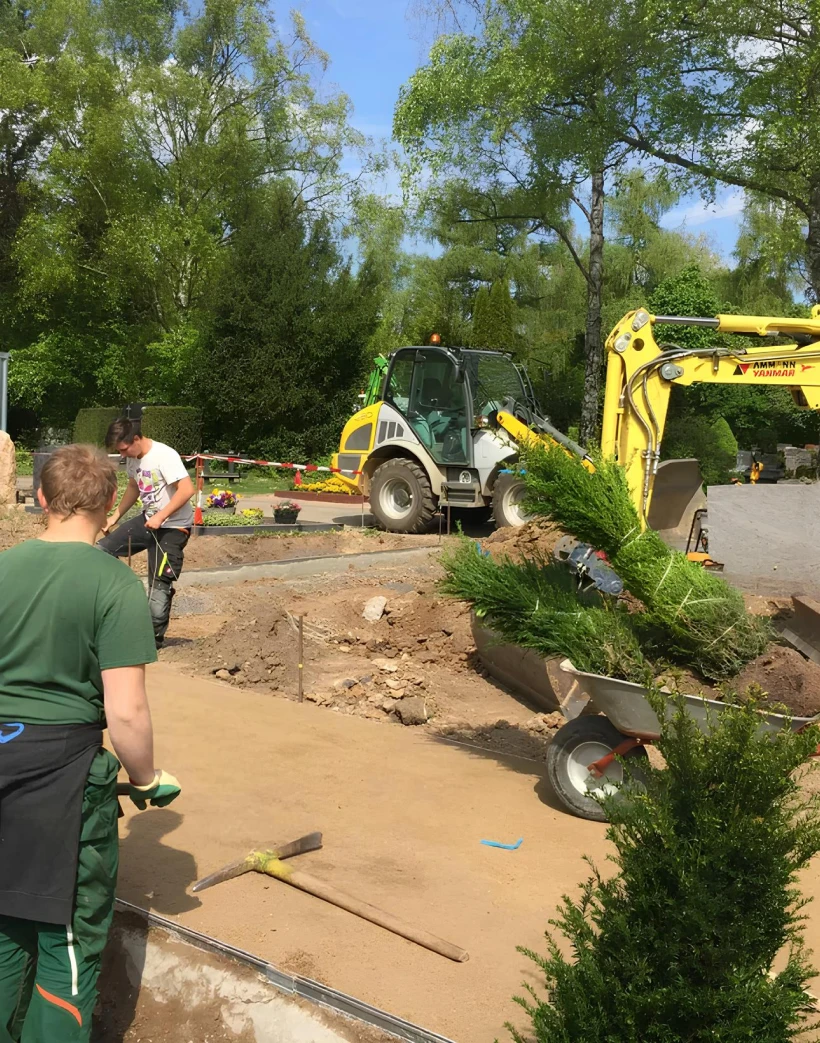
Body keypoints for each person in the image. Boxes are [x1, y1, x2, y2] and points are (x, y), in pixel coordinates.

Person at [0, 444, 180, 1042]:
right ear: (109, 505)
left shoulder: (2, 568)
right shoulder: (112, 582)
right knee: (66, 940)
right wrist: (149, 778)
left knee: (2, 933)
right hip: (63, 779)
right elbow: (124, 711)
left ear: (42, 500)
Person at [99, 418, 195, 650]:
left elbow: (187, 489)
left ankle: (151, 640)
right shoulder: (133, 459)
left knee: (158, 584)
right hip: (147, 521)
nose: (123, 455)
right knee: (101, 551)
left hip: (173, 526)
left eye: (123, 449)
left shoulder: (165, 455)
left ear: (135, 439)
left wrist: (161, 516)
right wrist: (114, 517)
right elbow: (134, 487)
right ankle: (123, 602)